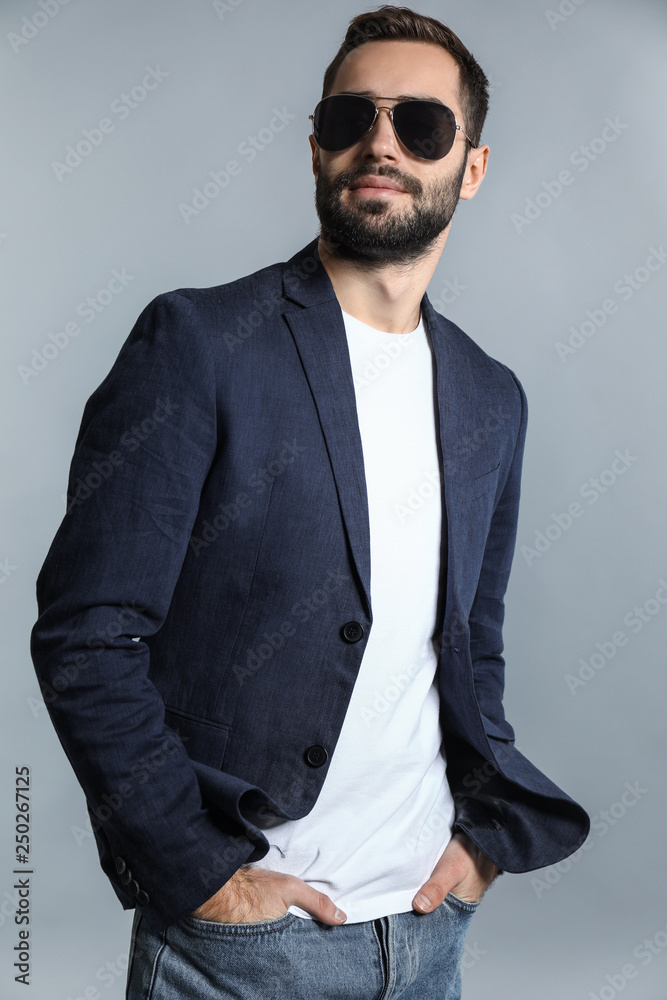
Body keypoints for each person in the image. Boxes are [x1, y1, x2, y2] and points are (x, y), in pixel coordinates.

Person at [30, 6, 590, 998]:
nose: (381, 143)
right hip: (239, 948)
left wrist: (479, 848)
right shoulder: (198, 344)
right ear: (316, 147)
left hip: (426, 932)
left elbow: (473, 647)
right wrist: (198, 875)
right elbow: (87, 634)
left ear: (470, 167)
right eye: (349, 117)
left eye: (421, 124)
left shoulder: (489, 397)